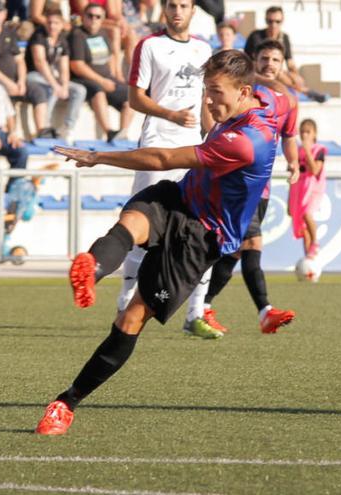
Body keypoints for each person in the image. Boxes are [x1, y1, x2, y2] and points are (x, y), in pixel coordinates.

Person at [37, 49, 294, 436]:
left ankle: (65, 403)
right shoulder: (270, 98)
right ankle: (93, 268)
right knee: (132, 223)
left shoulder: (246, 142)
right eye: (206, 90)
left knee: (131, 318)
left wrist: (99, 156)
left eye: (216, 93)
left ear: (243, 91)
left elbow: (162, 157)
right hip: (181, 198)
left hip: (202, 238)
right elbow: (287, 99)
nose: (208, 100)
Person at [121, 0, 216, 338]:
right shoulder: (150, 46)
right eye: (172, 5)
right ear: (164, 10)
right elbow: (135, 98)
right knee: (139, 224)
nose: (178, 10)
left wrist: (211, 135)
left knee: (203, 229)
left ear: (193, 11)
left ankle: (196, 313)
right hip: (157, 143)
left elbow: (206, 98)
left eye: (184, 5)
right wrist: (171, 115)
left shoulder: (203, 48)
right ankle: (123, 304)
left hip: (192, 150)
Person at [198, 39, 299, 335]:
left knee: (233, 253)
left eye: (275, 60)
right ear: (254, 62)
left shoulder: (284, 101)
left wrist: (293, 163)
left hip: (261, 187)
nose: (269, 64)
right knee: (252, 243)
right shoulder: (238, 95)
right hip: (236, 182)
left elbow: (289, 135)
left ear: (283, 65)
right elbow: (210, 126)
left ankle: (202, 305)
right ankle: (265, 310)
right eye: (264, 58)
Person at [0, 0, 48, 137]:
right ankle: (7, 135)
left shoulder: (8, 32)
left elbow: (19, 60)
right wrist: (9, 83)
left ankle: (42, 132)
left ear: (4, 14)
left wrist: (21, 81)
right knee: (1, 93)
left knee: (38, 92)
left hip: (15, 80)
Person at [68, 3, 133, 142]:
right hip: (84, 79)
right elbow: (77, 66)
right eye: (90, 16)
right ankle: (109, 132)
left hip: (106, 77)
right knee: (98, 90)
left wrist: (115, 77)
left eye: (98, 17)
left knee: (131, 95)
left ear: (102, 19)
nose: (93, 19)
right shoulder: (77, 35)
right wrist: (102, 81)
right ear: (83, 17)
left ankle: (122, 133)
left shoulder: (103, 33)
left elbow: (109, 57)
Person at [243, 6, 326, 103]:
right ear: (266, 21)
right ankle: (306, 91)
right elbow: (247, 61)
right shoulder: (255, 36)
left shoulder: (284, 37)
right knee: (280, 74)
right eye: (270, 21)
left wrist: (296, 76)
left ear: (282, 21)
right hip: (258, 70)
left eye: (277, 21)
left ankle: (302, 90)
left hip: (277, 71)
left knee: (296, 78)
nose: (273, 25)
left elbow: (290, 63)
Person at [25, 8, 86, 140]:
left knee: (79, 90)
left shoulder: (62, 40)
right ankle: (45, 128)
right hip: (34, 76)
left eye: (56, 23)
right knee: (52, 89)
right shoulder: (39, 36)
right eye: (49, 22)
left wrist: (64, 85)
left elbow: (64, 67)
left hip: (51, 77)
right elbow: (40, 63)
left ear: (62, 24)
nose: (52, 26)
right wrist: (56, 85)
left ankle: (67, 129)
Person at [289, 119, 326, 258]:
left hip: (313, 189)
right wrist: (289, 200)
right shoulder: (296, 151)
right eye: (302, 132)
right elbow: (293, 174)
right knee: (301, 225)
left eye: (308, 132)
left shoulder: (319, 150)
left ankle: (315, 242)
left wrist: (307, 151)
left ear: (314, 134)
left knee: (307, 214)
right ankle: (309, 257)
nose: (305, 135)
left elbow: (315, 169)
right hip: (299, 189)